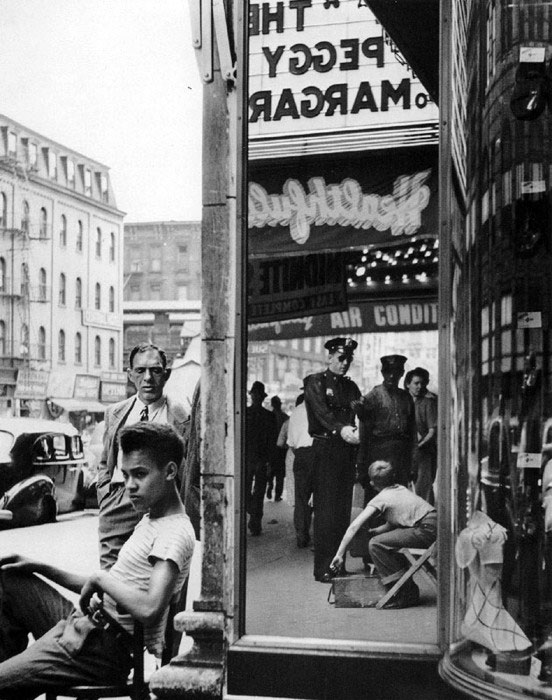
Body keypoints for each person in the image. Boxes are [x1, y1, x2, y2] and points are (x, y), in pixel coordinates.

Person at [0, 422, 196, 695]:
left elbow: (150, 609)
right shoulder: (152, 519)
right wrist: (39, 566)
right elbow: (104, 587)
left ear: (170, 471)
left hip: (100, 651)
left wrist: (100, 578)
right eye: (125, 475)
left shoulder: (173, 532)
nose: (130, 486)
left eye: (140, 474)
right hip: (86, 626)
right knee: (9, 577)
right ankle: (15, 672)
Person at [97, 342, 189, 570]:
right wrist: (106, 492)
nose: (148, 378)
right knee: (111, 571)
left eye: (155, 370)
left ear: (166, 374)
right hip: (119, 499)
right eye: (140, 371)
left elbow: (188, 462)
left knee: (159, 570)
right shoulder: (115, 412)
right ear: (130, 375)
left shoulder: (180, 416)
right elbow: (106, 458)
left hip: (163, 501)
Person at [331, 460, 436, 609]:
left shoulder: (380, 499)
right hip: (433, 526)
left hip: (425, 530)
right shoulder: (400, 489)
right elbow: (395, 521)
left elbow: (354, 526)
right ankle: (406, 588)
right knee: (382, 539)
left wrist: (339, 554)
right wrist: (376, 532)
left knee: (375, 544)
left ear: (372, 483)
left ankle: (403, 592)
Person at [304, 337, 361, 582]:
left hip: (346, 451)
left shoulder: (351, 387)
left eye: (348, 359)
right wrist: (341, 429)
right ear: (329, 357)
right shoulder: (315, 382)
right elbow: (322, 413)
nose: (345, 363)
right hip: (326, 448)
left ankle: (339, 563)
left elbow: (359, 411)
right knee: (326, 510)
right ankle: (323, 567)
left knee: (342, 510)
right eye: (340, 358)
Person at [355, 354, 415, 498]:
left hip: (401, 455)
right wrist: (362, 465)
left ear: (402, 373)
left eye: (396, 372)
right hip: (379, 454)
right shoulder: (373, 396)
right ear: (382, 372)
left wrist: (414, 463)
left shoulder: (406, 398)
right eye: (388, 372)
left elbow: (412, 432)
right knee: (378, 498)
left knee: (399, 499)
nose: (392, 376)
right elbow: (364, 433)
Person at [245, 381, 278, 536]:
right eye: (254, 394)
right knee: (247, 492)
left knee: (258, 492)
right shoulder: (244, 414)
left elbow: (272, 441)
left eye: (258, 395)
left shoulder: (267, 416)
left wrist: (270, 462)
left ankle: (256, 522)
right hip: (248, 459)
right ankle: (254, 514)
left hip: (259, 459)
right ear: (251, 395)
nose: (256, 397)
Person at [405, 367, 437, 504]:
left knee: (423, 488)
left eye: (422, 383)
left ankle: (426, 520)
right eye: (416, 383)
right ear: (408, 384)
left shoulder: (428, 402)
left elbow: (432, 430)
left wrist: (419, 445)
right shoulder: (404, 401)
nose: (419, 387)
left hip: (423, 451)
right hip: (406, 451)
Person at [286, 392, 314, 548]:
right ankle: (321, 534)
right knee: (321, 497)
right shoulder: (319, 410)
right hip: (316, 454)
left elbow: (291, 442)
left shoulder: (295, 412)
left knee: (301, 498)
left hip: (301, 456)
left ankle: (301, 535)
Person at [266, 396, 289, 501]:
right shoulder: (285, 417)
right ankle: (277, 495)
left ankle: (269, 486)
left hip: (271, 448)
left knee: (271, 469)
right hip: (282, 449)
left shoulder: (268, 416)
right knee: (280, 473)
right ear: (280, 404)